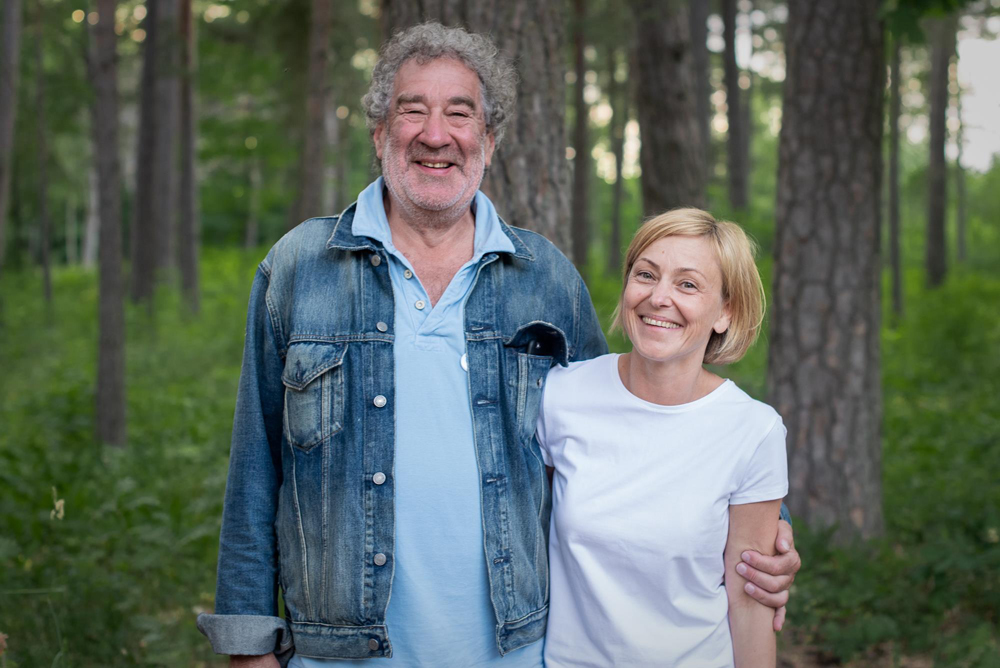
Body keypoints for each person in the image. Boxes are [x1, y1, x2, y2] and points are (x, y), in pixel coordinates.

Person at [197, 22, 800, 668]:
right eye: (413, 111)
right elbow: (254, 468)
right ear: (379, 133)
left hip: (518, 652)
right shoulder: (300, 268)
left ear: (489, 140)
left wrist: (763, 524)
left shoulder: (545, 279)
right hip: (336, 654)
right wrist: (248, 644)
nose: (436, 134)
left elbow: (632, 422)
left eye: (460, 114)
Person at [537, 209, 787, 667]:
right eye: (646, 275)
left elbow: (750, 600)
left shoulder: (754, 430)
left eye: (687, 284)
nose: (658, 297)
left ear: (725, 312)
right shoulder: (560, 395)